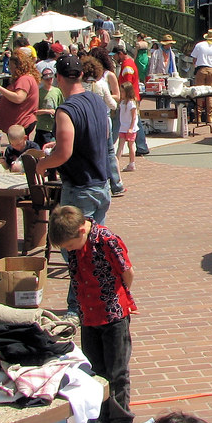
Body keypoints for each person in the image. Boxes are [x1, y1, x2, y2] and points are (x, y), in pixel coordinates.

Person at [36, 55, 113, 317]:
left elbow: (64, 154)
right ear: (81, 75)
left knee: (75, 250)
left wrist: (43, 164)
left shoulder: (66, 109)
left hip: (80, 188)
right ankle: (99, 295)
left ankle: (77, 307)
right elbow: (98, 139)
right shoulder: (97, 101)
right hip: (100, 185)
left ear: (58, 79)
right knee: (91, 246)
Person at [49, 205, 136, 423]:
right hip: (88, 315)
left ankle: (119, 421)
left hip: (112, 314)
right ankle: (99, 417)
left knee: (116, 373)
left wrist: (119, 298)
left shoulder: (106, 239)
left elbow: (127, 271)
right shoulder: (75, 244)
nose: (69, 249)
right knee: (96, 371)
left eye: (69, 245)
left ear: (81, 230)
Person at [83, 53, 125, 198]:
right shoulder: (101, 84)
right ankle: (116, 184)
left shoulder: (81, 86)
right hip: (103, 120)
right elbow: (113, 105)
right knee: (109, 152)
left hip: (86, 121)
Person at [0, 49, 40, 138]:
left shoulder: (24, 79)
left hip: (21, 123)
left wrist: (0, 89)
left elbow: (19, 98)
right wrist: (2, 96)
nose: (10, 68)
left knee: (18, 149)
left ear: (18, 66)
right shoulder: (25, 78)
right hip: (17, 124)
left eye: (11, 66)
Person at [191, 29, 212, 122]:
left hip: (201, 69)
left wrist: (196, 67)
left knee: (199, 93)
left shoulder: (199, 45)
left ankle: (198, 116)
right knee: (209, 94)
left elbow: (194, 60)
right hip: (211, 70)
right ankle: (209, 117)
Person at [35, 66, 64, 146]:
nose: (49, 81)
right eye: (47, 79)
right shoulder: (39, 92)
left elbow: (61, 106)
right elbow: (34, 111)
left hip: (55, 127)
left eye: (51, 78)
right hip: (43, 127)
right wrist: (47, 111)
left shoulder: (57, 91)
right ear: (42, 80)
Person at [116, 82, 139, 173]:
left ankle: (132, 163)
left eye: (122, 92)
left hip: (130, 128)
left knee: (130, 145)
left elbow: (134, 117)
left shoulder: (131, 103)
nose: (121, 93)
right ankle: (116, 163)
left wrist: (131, 127)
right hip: (123, 127)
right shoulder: (122, 103)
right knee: (120, 145)